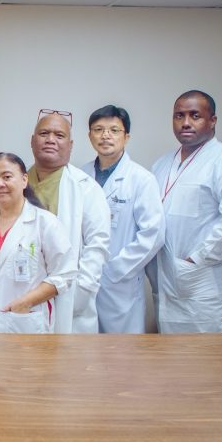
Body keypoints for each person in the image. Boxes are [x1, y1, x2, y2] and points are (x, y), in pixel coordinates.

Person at [149, 90, 222, 333]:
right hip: (168, 280)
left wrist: (196, 259)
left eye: (195, 115)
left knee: (211, 360)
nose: (186, 122)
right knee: (171, 360)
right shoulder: (161, 165)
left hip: (207, 282)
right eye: (179, 116)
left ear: (213, 120)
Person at [0, 153, 75, 333]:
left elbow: (64, 274)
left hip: (26, 321)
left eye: (7, 177)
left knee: (24, 362)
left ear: (24, 180)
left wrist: (25, 302)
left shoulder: (45, 223)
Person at [79, 105, 164, 333]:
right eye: (98, 129)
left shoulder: (141, 179)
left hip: (119, 281)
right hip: (84, 277)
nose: (105, 135)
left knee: (121, 355)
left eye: (114, 130)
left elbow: (153, 235)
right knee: (83, 351)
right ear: (89, 136)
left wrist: (116, 269)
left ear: (126, 137)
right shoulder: (79, 176)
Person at [28, 109, 110, 333]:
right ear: (32, 141)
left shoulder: (86, 188)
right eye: (44, 133)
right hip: (22, 294)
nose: (51, 140)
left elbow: (97, 246)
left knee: (67, 365)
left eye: (59, 135)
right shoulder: (15, 183)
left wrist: (81, 292)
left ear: (71, 145)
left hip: (68, 297)